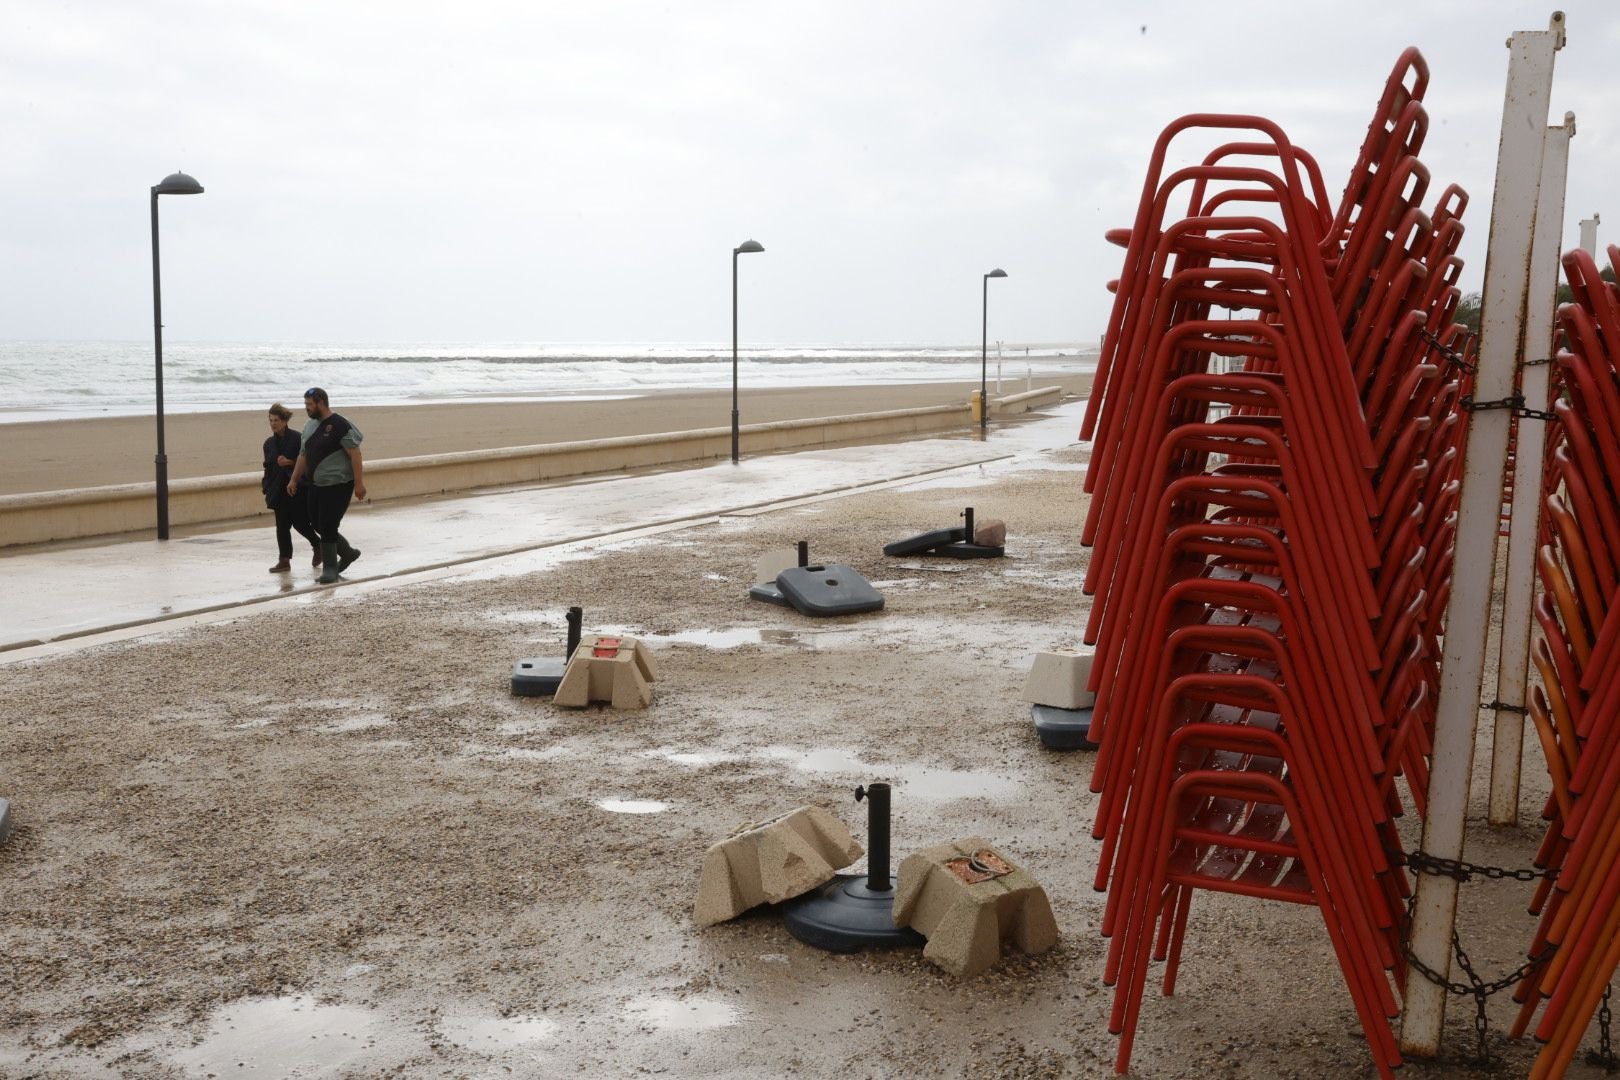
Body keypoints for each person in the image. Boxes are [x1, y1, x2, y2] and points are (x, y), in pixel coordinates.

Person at [287, 387, 366, 584]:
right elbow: (303, 455)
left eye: (309, 404)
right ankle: (348, 553)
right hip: (315, 485)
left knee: (329, 524)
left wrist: (359, 483)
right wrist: (294, 479)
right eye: (305, 404)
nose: (306, 408)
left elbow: (355, 454)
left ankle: (330, 569)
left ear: (321, 402)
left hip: (338, 484)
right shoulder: (309, 426)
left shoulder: (339, 424)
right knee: (317, 523)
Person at [262, 403, 319, 572]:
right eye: (271, 420)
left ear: (285, 420)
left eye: (276, 420)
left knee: (300, 523)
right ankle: (284, 560)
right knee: (281, 525)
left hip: (297, 488)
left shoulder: (297, 438)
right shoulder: (268, 444)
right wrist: (266, 486)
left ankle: (318, 546)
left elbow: (308, 462)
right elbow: (268, 467)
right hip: (277, 489)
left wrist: (290, 462)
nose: (273, 423)